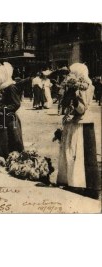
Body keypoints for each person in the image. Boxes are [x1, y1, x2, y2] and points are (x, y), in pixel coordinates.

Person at [57, 63, 100, 199]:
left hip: (82, 123)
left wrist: (74, 96)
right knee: (70, 152)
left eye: (72, 72)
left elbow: (82, 108)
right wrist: (68, 92)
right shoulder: (72, 86)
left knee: (80, 154)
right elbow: (64, 105)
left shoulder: (88, 86)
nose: (70, 75)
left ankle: (84, 185)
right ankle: (72, 181)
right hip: (72, 123)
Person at [0, 62, 24, 159]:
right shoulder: (1, 88)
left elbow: (16, 104)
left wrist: (4, 108)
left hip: (9, 118)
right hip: (0, 117)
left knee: (12, 137)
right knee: (1, 137)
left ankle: (13, 156)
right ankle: (2, 155)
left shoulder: (11, 86)